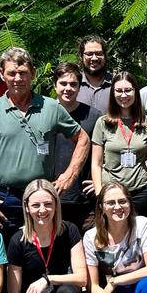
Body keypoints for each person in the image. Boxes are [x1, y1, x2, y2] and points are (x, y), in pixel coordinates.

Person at [0, 46, 86, 246]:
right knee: (6, 257)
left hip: (41, 197)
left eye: (23, 73)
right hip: (3, 199)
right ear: (2, 74)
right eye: (12, 73)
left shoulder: (51, 107)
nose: (17, 78)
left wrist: (69, 175)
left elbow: (83, 139)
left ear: (33, 73)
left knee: (42, 254)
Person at [7, 179, 85, 293]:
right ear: (26, 207)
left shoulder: (69, 230)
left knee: (70, 292)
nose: (42, 210)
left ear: (56, 205)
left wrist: (48, 279)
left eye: (48, 204)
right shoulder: (18, 240)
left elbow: (82, 278)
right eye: (36, 205)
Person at [92, 74, 147, 220]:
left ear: (135, 92)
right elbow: (96, 163)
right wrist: (99, 192)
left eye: (128, 90)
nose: (124, 95)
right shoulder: (103, 123)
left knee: (139, 235)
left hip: (140, 190)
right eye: (119, 91)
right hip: (111, 192)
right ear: (113, 93)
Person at [53, 63, 100, 231]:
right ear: (55, 85)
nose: (68, 88)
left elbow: (103, 154)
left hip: (84, 199)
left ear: (80, 87)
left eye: (73, 84)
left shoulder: (94, 116)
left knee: (87, 253)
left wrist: (99, 181)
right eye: (63, 83)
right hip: (52, 198)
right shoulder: (44, 114)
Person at [76, 34, 112, 112]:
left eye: (99, 53)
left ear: (105, 56)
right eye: (89, 54)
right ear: (81, 57)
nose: (94, 58)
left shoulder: (117, 85)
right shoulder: (73, 85)